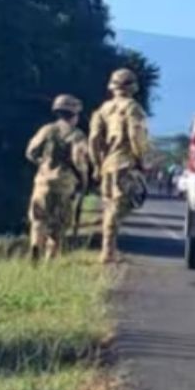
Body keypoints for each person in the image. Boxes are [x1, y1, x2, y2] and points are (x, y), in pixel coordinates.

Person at [89, 68, 151, 264]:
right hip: (125, 162)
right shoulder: (133, 108)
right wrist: (141, 159)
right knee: (118, 207)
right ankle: (108, 252)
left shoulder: (103, 109)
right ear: (133, 87)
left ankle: (108, 249)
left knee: (109, 205)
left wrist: (97, 164)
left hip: (107, 163)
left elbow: (94, 139)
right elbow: (136, 135)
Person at [25, 94, 91, 262]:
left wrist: (43, 164)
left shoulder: (47, 129)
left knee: (38, 219)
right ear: (74, 114)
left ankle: (35, 245)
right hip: (64, 185)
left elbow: (31, 152)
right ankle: (50, 260)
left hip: (43, 183)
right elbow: (79, 161)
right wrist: (83, 180)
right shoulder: (77, 135)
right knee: (58, 225)